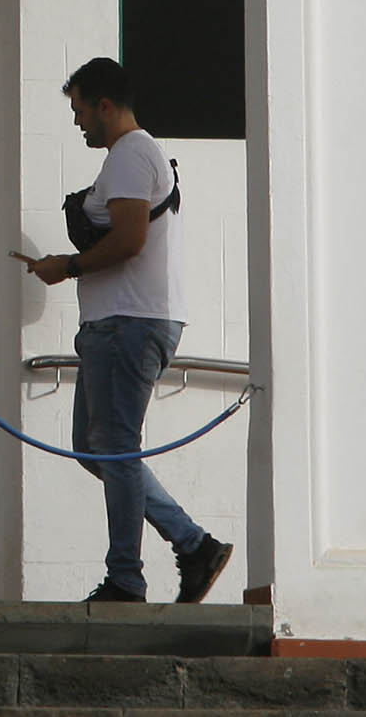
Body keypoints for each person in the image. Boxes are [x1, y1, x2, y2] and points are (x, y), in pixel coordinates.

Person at [21, 56, 233, 605]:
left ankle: (126, 579)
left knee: (113, 449)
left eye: (80, 110)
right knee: (97, 451)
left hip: (129, 324)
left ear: (105, 106)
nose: (77, 122)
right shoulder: (133, 156)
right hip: (119, 323)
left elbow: (131, 239)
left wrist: (64, 265)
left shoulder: (131, 155)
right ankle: (193, 544)